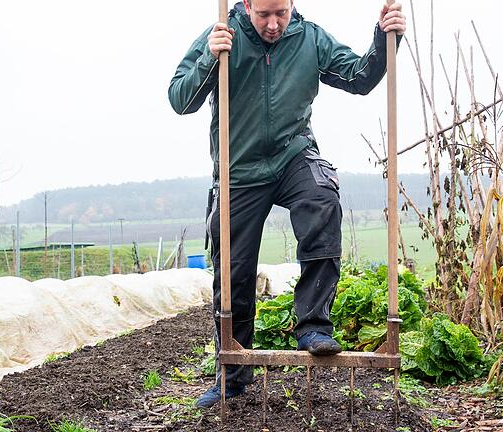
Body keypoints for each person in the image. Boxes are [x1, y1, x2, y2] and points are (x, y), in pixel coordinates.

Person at [168, 0, 406, 408]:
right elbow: (179, 99)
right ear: (246, 5)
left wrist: (386, 38)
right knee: (234, 274)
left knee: (321, 194)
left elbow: (360, 77)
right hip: (238, 169)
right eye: (264, 16)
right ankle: (233, 374)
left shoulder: (309, 38)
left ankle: (313, 325)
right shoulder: (223, 33)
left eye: (282, 13)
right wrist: (211, 57)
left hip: (292, 155)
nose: (275, 24)